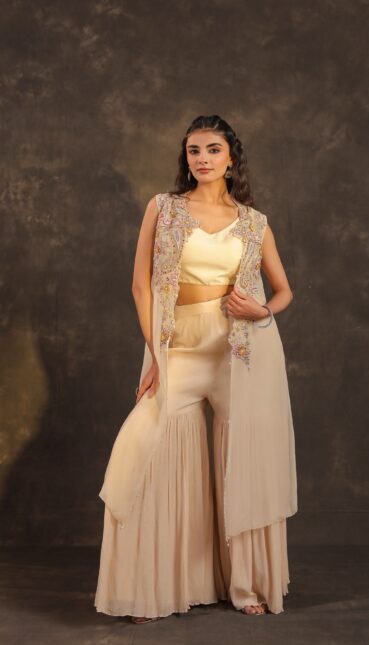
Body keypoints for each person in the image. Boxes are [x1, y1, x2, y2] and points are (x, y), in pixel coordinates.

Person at [94, 114, 298, 623]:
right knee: (144, 450)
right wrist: (157, 357)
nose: (202, 159)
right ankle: (150, 589)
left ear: (231, 159)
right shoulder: (163, 208)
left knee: (243, 465)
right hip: (179, 349)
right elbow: (140, 285)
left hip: (238, 354)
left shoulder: (253, 222)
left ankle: (247, 586)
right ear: (185, 159)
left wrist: (262, 310)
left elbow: (284, 291)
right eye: (194, 151)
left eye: (213, 150)